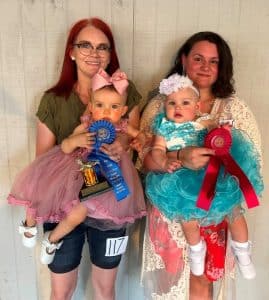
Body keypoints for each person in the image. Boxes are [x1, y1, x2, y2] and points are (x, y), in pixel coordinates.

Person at [10, 18, 142, 300]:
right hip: (62, 206)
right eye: (86, 45)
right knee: (61, 291)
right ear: (71, 51)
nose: (94, 53)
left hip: (111, 200)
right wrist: (71, 142)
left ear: (110, 53)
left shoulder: (125, 92)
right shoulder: (53, 100)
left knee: (105, 288)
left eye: (102, 47)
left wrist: (122, 142)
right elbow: (42, 163)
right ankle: (47, 235)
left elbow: (133, 137)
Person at [139, 32, 262, 299]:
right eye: (198, 58)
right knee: (171, 284)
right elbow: (146, 161)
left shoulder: (234, 109)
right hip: (171, 209)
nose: (205, 66)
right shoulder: (160, 107)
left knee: (203, 283)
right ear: (184, 60)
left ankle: (243, 253)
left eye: (214, 61)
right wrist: (179, 156)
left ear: (222, 67)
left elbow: (252, 163)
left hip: (214, 208)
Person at [7, 68, 147, 265]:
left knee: (78, 214)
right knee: (41, 184)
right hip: (74, 170)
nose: (106, 111)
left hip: (101, 179)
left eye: (114, 107)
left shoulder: (121, 127)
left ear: (123, 111)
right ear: (90, 107)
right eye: (100, 105)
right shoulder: (87, 124)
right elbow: (65, 146)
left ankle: (52, 239)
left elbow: (140, 135)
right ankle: (29, 225)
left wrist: (139, 140)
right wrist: (77, 140)